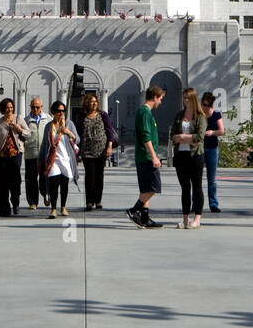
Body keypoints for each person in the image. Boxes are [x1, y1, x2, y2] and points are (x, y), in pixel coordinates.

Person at [127, 85, 165, 228]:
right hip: (146, 157)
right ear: (154, 97)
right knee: (154, 187)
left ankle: (144, 217)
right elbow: (145, 136)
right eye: (160, 99)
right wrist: (154, 156)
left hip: (145, 156)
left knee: (145, 188)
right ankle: (134, 210)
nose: (160, 102)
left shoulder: (146, 112)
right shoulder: (145, 112)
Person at [169, 88, 206, 228]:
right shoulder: (179, 115)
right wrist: (180, 138)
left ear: (193, 99)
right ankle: (185, 219)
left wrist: (183, 137)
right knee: (185, 187)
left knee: (197, 187)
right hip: (181, 155)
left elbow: (199, 137)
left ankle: (197, 219)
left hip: (195, 155)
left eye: (188, 98)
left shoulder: (200, 117)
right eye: (184, 98)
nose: (185, 100)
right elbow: (173, 135)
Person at [75, 91, 118, 210]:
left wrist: (109, 146)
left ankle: (98, 200)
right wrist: (76, 152)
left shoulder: (103, 115)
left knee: (99, 176)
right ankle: (89, 201)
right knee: (89, 176)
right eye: (91, 102)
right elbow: (77, 134)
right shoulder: (82, 116)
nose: (94, 104)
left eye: (95, 102)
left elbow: (109, 131)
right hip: (87, 150)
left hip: (101, 150)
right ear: (87, 103)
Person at [0, 98, 30, 217]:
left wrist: (19, 129)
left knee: (15, 182)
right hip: (1, 157)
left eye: (11, 107)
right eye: (7, 108)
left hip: (15, 155)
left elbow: (28, 133)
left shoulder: (18, 119)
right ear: (3, 109)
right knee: (1, 184)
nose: (9, 110)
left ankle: (15, 203)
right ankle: (4, 209)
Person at [38, 101, 79, 218]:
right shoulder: (49, 126)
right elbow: (44, 145)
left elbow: (78, 140)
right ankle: (53, 209)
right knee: (54, 183)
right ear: (53, 112)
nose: (61, 113)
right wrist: (41, 160)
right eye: (58, 111)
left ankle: (63, 207)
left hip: (65, 159)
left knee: (64, 184)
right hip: (53, 159)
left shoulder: (69, 124)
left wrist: (69, 133)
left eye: (62, 111)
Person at [23, 96, 51, 210]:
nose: (35, 109)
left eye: (38, 107)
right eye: (33, 107)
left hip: (44, 153)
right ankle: (32, 202)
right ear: (30, 107)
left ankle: (45, 194)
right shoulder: (26, 120)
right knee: (31, 179)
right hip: (31, 154)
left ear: (41, 107)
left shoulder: (48, 118)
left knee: (45, 177)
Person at [201, 91, 225, 213]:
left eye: (207, 105)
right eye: (203, 104)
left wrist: (212, 132)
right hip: (200, 148)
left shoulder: (216, 115)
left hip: (212, 148)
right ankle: (196, 203)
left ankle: (213, 203)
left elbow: (222, 131)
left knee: (211, 179)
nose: (205, 107)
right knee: (197, 178)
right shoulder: (199, 115)